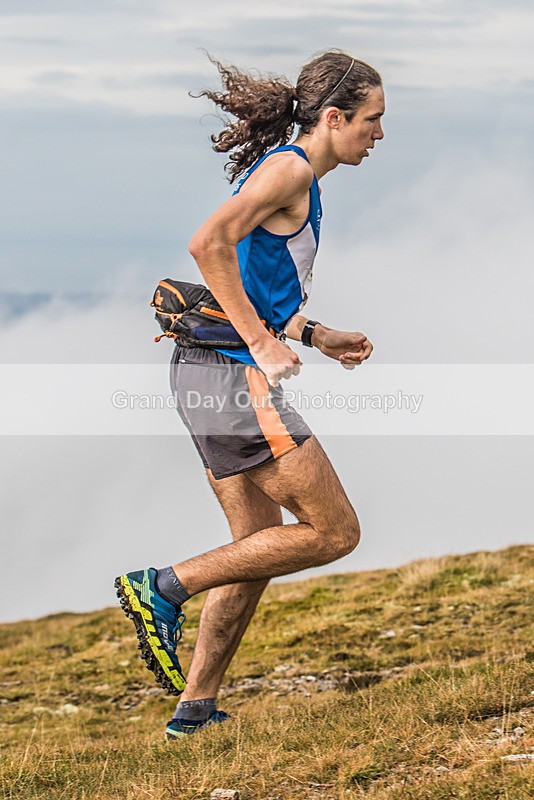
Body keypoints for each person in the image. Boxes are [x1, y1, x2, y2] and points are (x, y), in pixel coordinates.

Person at [115, 50, 385, 738]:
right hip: (233, 375)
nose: (379, 134)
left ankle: (194, 711)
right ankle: (162, 587)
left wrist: (312, 333)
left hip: (205, 370)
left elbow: (260, 287)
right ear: (334, 117)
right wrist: (263, 346)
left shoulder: (301, 178)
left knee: (258, 545)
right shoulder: (292, 169)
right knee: (334, 532)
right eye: (372, 120)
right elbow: (208, 244)